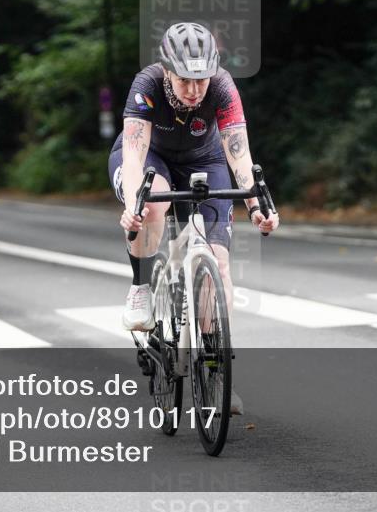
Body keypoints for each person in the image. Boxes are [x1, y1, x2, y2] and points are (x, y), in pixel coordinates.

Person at [108, 22, 279, 415]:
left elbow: (239, 153)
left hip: (205, 159)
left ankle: (216, 374)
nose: (193, 90)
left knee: (218, 262)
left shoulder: (221, 87)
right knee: (152, 208)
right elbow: (135, 155)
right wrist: (135, 204)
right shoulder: (147, 84)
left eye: (201, 80)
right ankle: (141, 286)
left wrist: (257, 207)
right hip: (153, 157)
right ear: (166, 70)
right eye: (185, 79)